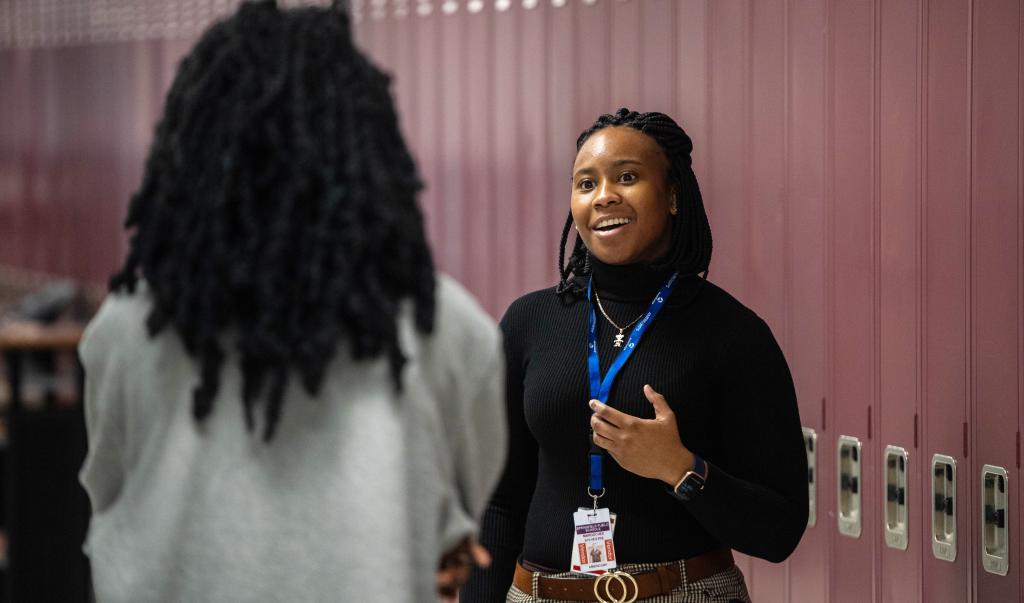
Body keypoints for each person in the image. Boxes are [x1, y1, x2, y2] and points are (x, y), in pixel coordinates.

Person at [77, 2, 506, 601]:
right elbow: (455, 521)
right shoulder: (452, 332)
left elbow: (107, 494)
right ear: (367, 143)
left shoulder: (126, 332)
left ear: (194, 150)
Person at [462, 108, 808, 603]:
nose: (604, 196)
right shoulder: (529, 322)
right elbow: (496, 501)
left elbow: (780, 530)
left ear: (672, 196)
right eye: (586, 183)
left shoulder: (732, 333)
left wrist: (682, 470)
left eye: (627, 177)